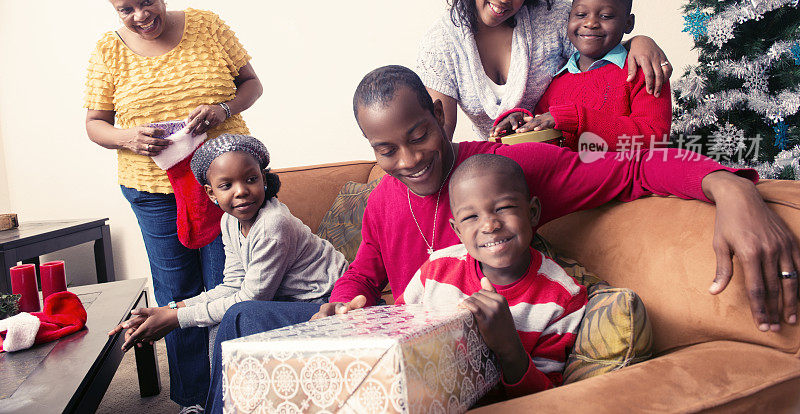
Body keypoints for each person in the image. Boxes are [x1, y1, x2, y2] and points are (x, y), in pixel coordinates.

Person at [205, 66, 798, 414]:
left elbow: (632, 170)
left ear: (441, 118)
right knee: (240, 323)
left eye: (418, 136)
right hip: (390, 336)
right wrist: (349, 297)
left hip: (470, 358)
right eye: (387, 150)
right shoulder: (385, 195)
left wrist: (733, 188)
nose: (409, 160)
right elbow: (365, 266)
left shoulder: (501, 175)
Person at [84, 0, 263, 412]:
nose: (141, 15)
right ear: (114, 10)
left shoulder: (206, 25)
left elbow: (251, 85)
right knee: (175, 292)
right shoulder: (108, 49)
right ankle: (190, 399)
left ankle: (235, 394)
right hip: (151, 191)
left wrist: (223, 109)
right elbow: (95, 125)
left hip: (221, 187)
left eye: (147, 1)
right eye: (127, 9)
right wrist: (128, 137)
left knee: (227, 285)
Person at [415, 0, 673, 140]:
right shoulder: (441, 43)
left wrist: (639, 41)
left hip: (567, 148)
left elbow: (602, 48)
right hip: (501, 165)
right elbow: (440, 135)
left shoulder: (552, 16)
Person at [108, 134, 348, 351]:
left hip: (327, 301)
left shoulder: (273, 224)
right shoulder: (229, 222)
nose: (241, 191)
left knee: (233, 318)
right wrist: (170, 309)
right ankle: (223, 399)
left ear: (263, 179)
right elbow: (232, 285)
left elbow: (251, 301)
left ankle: (225, 399)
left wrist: (176, 319)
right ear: (211, 193)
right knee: (221, 320)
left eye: (251, 179)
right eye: (226, 185)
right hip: (290, 300)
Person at [398, 154, 588, 398]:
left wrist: (508, 345)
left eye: (503, 208)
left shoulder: (562, 298)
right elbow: (396, 332)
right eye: (471, 217)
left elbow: (545, 399)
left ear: (532, 212)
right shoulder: (435, 270)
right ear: (457, 230)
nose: (489, 225)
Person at [492, 0, 672, 151]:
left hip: (620, 177)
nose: (591, 23)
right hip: (565, 176)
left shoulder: (644, 69)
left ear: (628, 23)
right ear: (569, 18)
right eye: (580, 14)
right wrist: (521, 122)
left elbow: (654, 138)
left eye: (606, 16)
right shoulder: (558, 78)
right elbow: (545, 126)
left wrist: (576, 118)